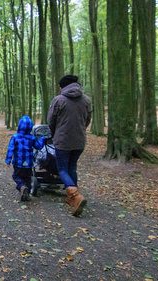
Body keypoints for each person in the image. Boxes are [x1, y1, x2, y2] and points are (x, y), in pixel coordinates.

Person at [48, 75, 92, 216]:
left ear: (63, 86)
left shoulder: (58, 100)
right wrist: (80, 130)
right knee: (72, 167)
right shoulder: (86, 100)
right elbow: (87, 120)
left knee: (62, 169)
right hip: (79, 141)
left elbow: (51, 121)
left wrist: (54, 134)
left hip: (63, 140)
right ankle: (71, 198)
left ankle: (76, 196)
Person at [5, 115, 46, 201]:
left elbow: (10, 149)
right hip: (28, 163)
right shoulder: (32, 137)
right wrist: (42, 139)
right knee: (27, 177)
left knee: (16, 176)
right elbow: (39, 147)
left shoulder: (15, 137)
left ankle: (21, 187)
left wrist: (8, 160)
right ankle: (26, 189)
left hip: (18, 163)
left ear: (19, 126)